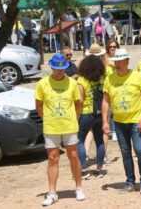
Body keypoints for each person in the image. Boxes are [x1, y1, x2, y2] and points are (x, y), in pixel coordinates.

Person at [35, 54, 85, 206]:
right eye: (57, 69)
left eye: (62, 69)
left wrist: (74, 119)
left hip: (69, 125)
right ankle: (52, 192)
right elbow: (39, 105)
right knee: (52, 158)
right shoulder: (42, 83)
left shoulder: (72, 83)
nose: (59, 72)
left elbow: (78, 104)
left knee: (74, 155)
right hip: (51, 127)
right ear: (51, 67)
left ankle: (78, 187)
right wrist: (49, 119)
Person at [102, 48, 141, 194]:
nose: (117, 64)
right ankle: (130, 181)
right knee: (125, 152)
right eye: (116, 61)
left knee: (140, 150)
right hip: (119, 122)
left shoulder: (137, 77)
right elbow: (106, 101)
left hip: (136, 120)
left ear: (127, 61)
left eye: (120, 61)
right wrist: (105, 121)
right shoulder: (109, 79)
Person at [77, 54, 106, 179]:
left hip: (86, 113)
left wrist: (76, 116)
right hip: (99, 114)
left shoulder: (82, 80)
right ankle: (99, 169)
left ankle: (84, 169)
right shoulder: (102, 79)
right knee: (99, 140)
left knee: (79, 140)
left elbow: (80, 100)